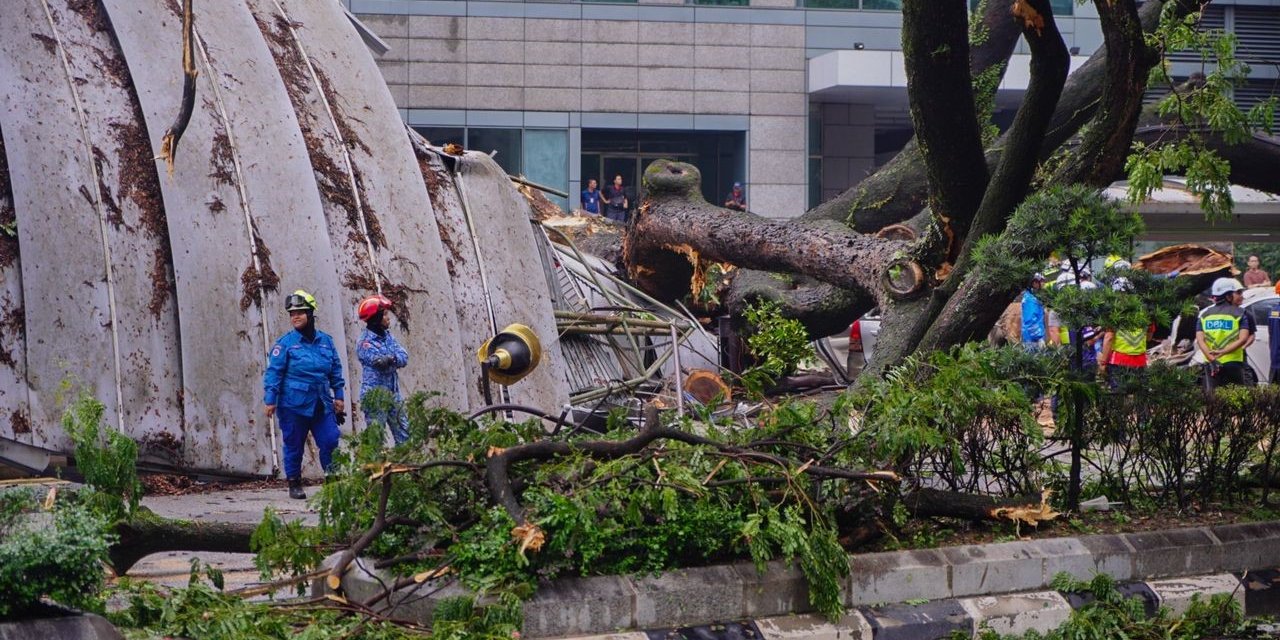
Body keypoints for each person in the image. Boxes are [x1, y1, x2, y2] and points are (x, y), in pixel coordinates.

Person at [263, 290, 346, 499]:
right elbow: (274, 372)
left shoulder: (326, 341)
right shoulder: (286, 344)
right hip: (293, 405)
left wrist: (339, 396)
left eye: (300, 312)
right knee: (294, 444)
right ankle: (294, 483)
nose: (295, 317)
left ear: (310, 313)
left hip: (321, 403)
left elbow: (335, 369)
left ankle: (332, 481)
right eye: (292, 314)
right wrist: (270, 400)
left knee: (330, 440)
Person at [356, 294, 410, 445]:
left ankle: (408, 467)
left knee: (405, 435)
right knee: (376, 440)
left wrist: (392, 359)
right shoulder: (364, 342)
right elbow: (380, 363)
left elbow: (403, 356)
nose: (388, 318)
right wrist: (392, 359)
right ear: (375, 318)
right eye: (385, 314)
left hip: (393, 394)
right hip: (375, 397)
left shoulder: (388, 337)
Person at [1196, 277, 1254, 389]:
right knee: (1236, 397)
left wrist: (1212, 358)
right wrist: (1223, 352)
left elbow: (1200, 340)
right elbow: (1243, 338)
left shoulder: (1204, 315)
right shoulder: (1240, 313)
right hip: (1234, 362)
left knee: (1214, 400)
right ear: (1228, 296)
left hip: (1211, 363)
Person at [1099, 277, 1153, 389]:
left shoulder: (1115, 312)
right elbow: (1149, 336)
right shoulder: (1145, 311)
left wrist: (1103, 362)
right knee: (1139, 397)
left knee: (1119, 396)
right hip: (1140, 361)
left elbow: (1109, 338)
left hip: (1119, 360)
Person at [1020, 273, 1047, 349]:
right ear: (1035, 283)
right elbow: (1030, 320)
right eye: (1042, 281)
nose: (1044, 284)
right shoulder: (1030, 300)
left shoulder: (1032, 297)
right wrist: (1038, 338)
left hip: (1033, 338)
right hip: (1033, 340)